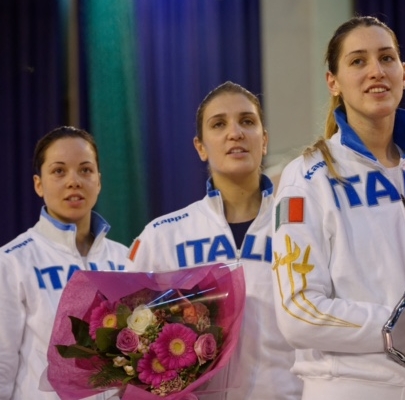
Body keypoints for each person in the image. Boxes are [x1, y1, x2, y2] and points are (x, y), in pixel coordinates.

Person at [271, 16, 405, 400]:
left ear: (404, 73)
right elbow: (298, 312)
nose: (376, 71)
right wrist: (397, 324)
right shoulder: (308, 178)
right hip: (352, 387)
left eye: (386, 58)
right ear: (333, 82)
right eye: (358, 61)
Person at [127, 81, 302, 399]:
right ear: (201, 146)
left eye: (247, 121)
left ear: (264, 140)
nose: (235, 133)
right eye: (219, 124)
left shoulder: (303, 226)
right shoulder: (163, 236)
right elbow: (129, 340)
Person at [0, 126, 130, 399]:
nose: (74, 181)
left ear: (99, 181)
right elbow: (3, 363)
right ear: (38, 184)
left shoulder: (125, 259)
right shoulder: (12, 261)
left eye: (85, 170)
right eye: (59, 171)